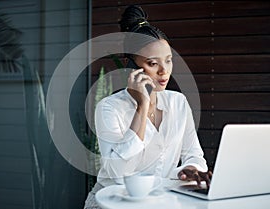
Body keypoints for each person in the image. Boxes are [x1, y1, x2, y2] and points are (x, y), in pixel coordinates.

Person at [84, 5, 212, 209]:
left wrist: (189, 169)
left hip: (160, 201)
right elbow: (118, 173)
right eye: (153, 63)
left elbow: (194, 154)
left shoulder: (178, 102)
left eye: (168, 61)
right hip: (113, 203)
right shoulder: (109, 108)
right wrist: (142, 107)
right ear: (133, 67)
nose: (164, 71)